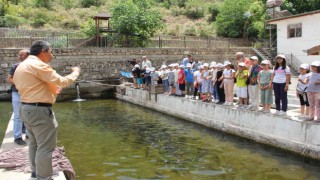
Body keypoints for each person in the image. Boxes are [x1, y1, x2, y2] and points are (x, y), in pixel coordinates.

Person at [13, 40, 80, 179]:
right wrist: (76, 73)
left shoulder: (22, 65)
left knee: (34, 143)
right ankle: (44, 177)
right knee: (46, 147)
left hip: (26, 108)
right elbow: (63, 81)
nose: (52, 55)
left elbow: (33, 87)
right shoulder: (38, 65)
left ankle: (35, 171)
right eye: (51, 51)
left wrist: (52, 91)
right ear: (43, 51)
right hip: (39, 111)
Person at [6, 49, 29, 145]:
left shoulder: (32, 67)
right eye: (19, 55)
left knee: (29, 114)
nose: (20, 56)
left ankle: (29, 134)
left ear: (28, 56)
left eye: (22, 55)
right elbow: (9, 79)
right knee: (18, 115)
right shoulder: (15, 66)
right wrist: (20, 83)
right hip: (17, 93)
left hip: (29, 93)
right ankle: (17, 137)